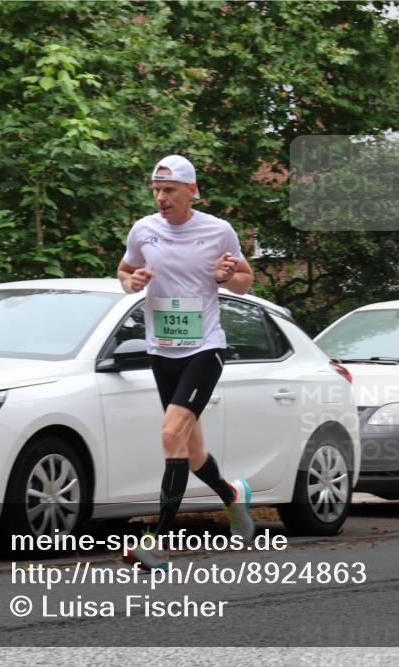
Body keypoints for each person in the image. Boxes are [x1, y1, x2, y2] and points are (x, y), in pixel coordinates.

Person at [116, 154, 255, 569]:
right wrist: (132, 281)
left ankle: (158, 543)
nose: (161, 198)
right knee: (191, 453)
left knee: (170, 432)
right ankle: (232, 496)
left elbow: (245, 281)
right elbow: (124, 272)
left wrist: (225, 276)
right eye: (156, 190)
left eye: (170, 190)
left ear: (191, 191)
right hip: (162, 351)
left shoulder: (218, 231)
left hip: (204, 349)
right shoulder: (144, 230)